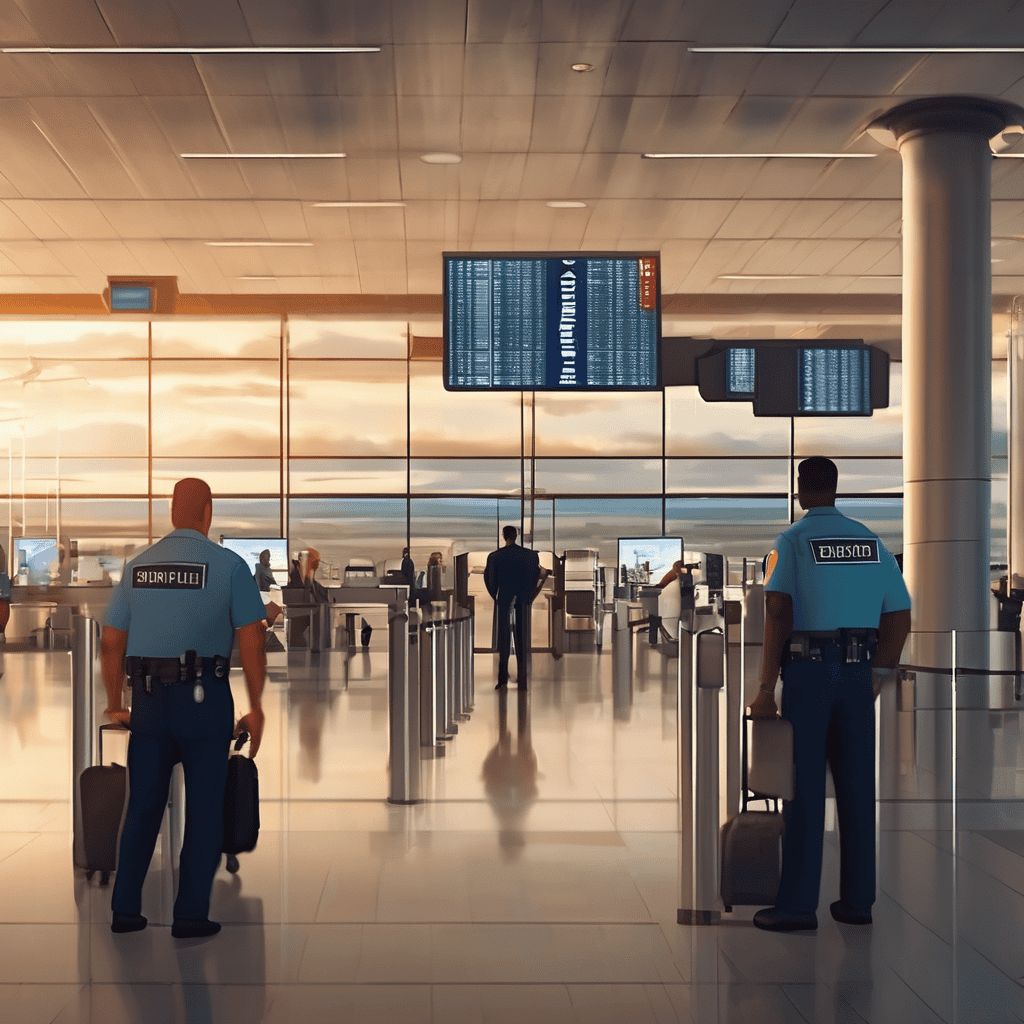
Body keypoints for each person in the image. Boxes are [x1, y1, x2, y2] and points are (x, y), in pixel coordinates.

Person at [749, 457, 911, 932]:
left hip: (810, 674)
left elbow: (778, 609)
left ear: (801, 490)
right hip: (859, 674)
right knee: (858, 787)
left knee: (804, 790)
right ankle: (858, 901)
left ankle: (798, 906)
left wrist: (764, 689)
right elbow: (899, 614)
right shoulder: (871, 542)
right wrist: (878, 670)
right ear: (836, 489)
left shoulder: (793, 542)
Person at [101, 478, 267, 939]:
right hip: (205, 701)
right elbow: (252, 642)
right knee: (205, 808)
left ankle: (125, 910)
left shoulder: (137, 568)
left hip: (149, 702)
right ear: (207, 511)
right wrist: (256, 707)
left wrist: (117, 703)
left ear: (172, 512)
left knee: (143, 809)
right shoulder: (229, 566)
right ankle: (190, 914)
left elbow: (111, 641)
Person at [484, 526, 547, 690]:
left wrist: (496, 597)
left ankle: (503, 679)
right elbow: (536, 577)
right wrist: (527, 596)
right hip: (523, 600)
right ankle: (523, 679)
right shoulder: (531, 556)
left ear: (504, 536)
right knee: (522, 640)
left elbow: (490, 581)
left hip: (504, 599)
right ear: (517, 535)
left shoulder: (495, 557)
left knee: (503, 640)